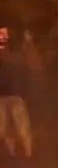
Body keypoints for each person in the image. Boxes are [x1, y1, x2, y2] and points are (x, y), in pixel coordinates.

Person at [0, 26, 34, 160]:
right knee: (4, 130)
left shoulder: (16, 56)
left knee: (22, 127)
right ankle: (13, 156)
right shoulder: (11, 57)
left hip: (16, 96)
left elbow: (28, 69)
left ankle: (29, 155)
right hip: (2, 98)